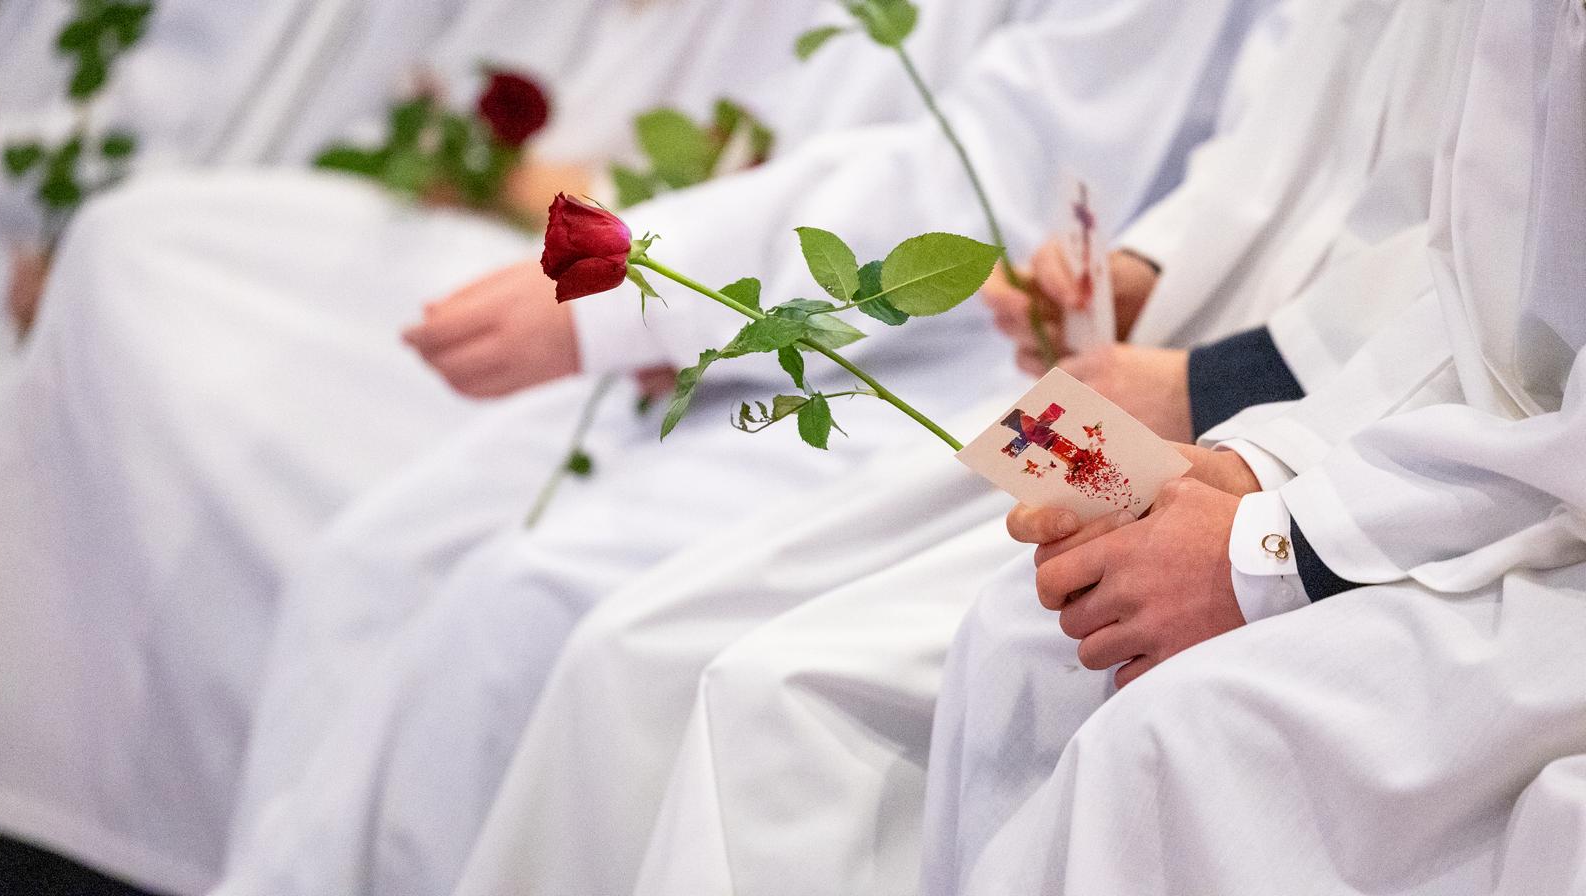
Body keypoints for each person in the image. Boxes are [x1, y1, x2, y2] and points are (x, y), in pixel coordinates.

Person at [212, 3, 1274, 895]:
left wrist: (655, 286)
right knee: (374, 563)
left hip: (976, 364)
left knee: (550, 619)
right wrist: (671, 288)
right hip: (818, 321)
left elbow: (996, 168)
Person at [451, 1, 1469, 893]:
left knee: (752, 692)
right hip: (1193, 361)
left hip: (1333, 424)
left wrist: (1221, 382)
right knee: (622, 640)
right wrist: (1146, 270)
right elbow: (1284, 134)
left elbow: (1497, 314)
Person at [0, 0, 960, 889]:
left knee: (520, 605)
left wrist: (644, 286)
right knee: (365, 547)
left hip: (836, 365)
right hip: (665, 298)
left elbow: (917, 205)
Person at [924, 0, 1586, 891]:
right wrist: (1255, 457)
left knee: (1160, 738)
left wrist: (1283, 539)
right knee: (1025, 628)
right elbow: (1484, 286)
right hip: (1410, 424)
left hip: (1532, 519)